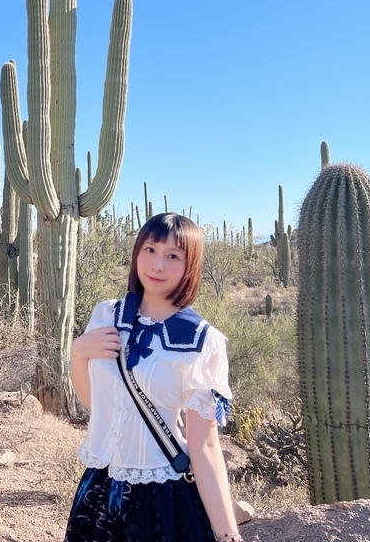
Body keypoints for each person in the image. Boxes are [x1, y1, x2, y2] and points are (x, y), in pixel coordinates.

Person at [66, 212, 243, 542]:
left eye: (173, 256)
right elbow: (96, 406)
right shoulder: (107, 315)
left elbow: (204, 445)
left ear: (190, 266)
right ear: (136, 254)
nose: (157, 265)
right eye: (150, 250)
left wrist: (229, 534)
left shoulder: (200, 342)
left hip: (161, 496)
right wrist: (78, 352)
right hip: (99, 490)